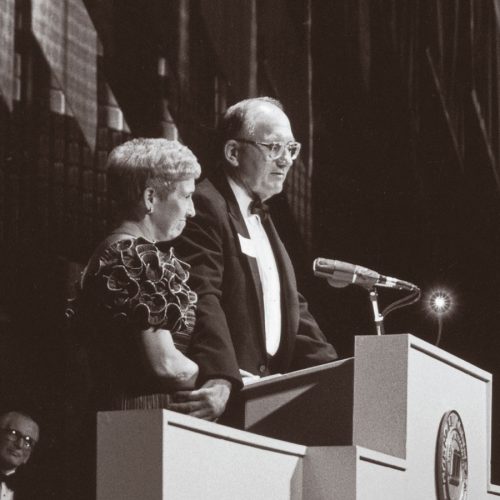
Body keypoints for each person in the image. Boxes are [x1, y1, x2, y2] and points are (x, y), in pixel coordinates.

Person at [171, 97, 338, 420]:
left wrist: (339, 373)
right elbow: (202, 294)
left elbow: (289, 308)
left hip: (263, 400)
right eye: (273, 147)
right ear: (233, 152)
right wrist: (221, 376)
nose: (286, 160)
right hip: (224, 399)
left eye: (291, 149)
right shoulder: (205, 204)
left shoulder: (263, 215)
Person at [68, 138, 204, 413]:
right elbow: (165, 365)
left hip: (120, 418)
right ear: (150, 198)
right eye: (186, 196)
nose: (192, 211)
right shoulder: (134, 256)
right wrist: (213, 379)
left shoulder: (111, 250)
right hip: (140, 420)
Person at [0, 410, 39, 500]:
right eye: (14, 434)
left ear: (28, 456)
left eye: (28, 441)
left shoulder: (33, 491)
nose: (19, 445)